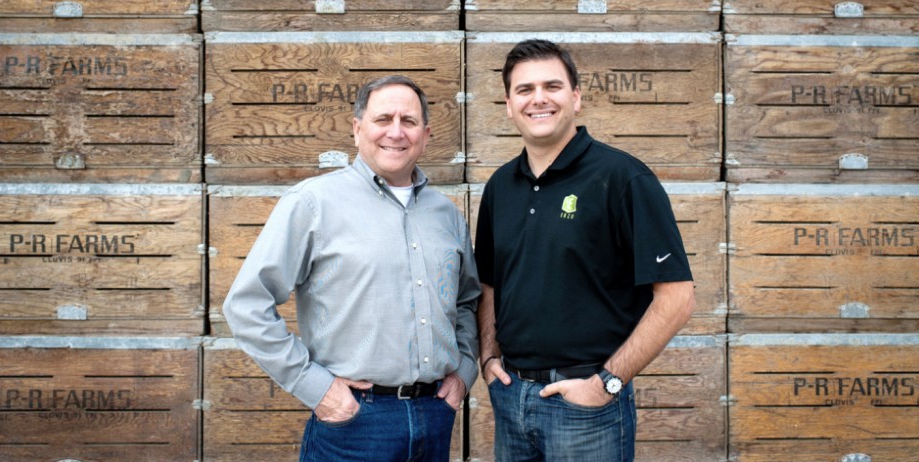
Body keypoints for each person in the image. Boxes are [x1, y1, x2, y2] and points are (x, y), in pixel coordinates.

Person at [223, 75, 481, 462]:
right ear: (357, 129)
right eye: (383, 119)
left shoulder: (447, 215)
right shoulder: (313, 203)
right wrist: (315, 387)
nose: (396, 132)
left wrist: (463, 371)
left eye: (408, 121)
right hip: (355, 421)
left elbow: (466, 301)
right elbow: (245, 306)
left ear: (426, 135)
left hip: (435, 416)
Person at [474, 39, 696, 461]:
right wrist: (488, 357)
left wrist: (606, 384)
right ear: (508, 104)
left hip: (586, 410)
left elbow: (678, 298)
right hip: (510, 398)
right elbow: (489, 283)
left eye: (552, 86)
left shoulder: (622, 178)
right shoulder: (500, 186)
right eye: (524, 90)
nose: (538, 99)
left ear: (576, 97)